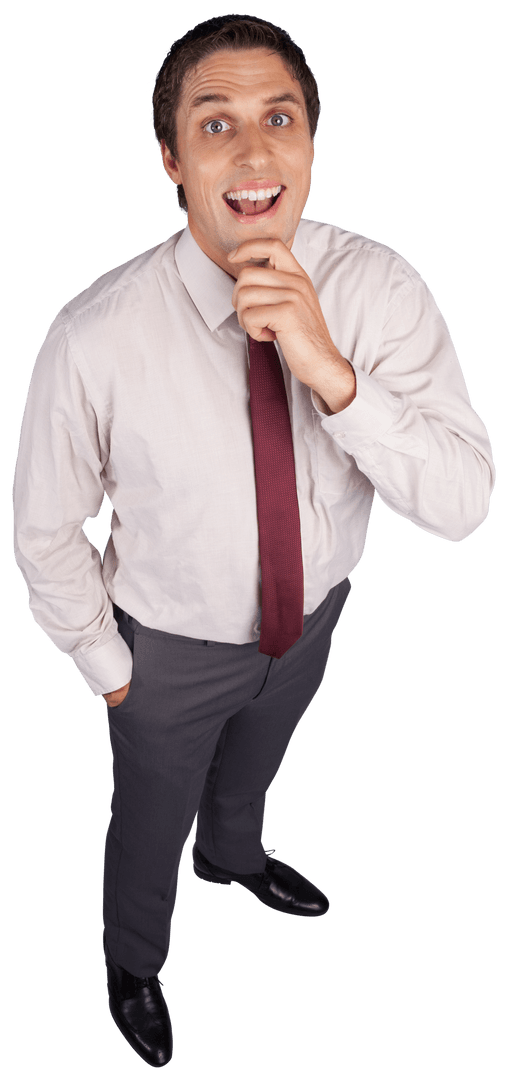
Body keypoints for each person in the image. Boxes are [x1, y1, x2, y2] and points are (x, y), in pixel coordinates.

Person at [12, 13, 495, 1070]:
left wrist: (334, 373)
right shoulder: (92, 335)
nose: (251, 150)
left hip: (312, 621)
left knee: (255, 770)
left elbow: (462, 504)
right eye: (214, 122)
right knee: (146, 823)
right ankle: (133, 960)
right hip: (165, 653)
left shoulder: (378, 289)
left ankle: (233, 857)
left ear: (310, 144)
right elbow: (45, 530)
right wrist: (110, 669)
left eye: (277, 117)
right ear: (171, 158)